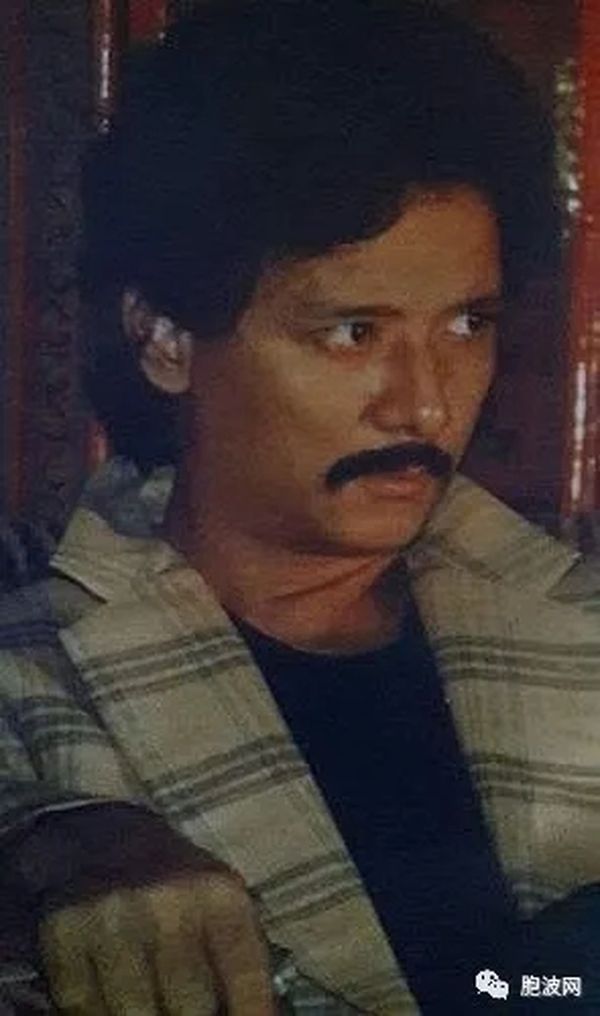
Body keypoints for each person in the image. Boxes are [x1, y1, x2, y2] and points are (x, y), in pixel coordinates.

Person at [0, 1, 598, 1013]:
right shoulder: (32, 666)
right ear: (167, 341)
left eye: (467, 323)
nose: (425, 403)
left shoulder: (568, 608)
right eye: (354, 332)